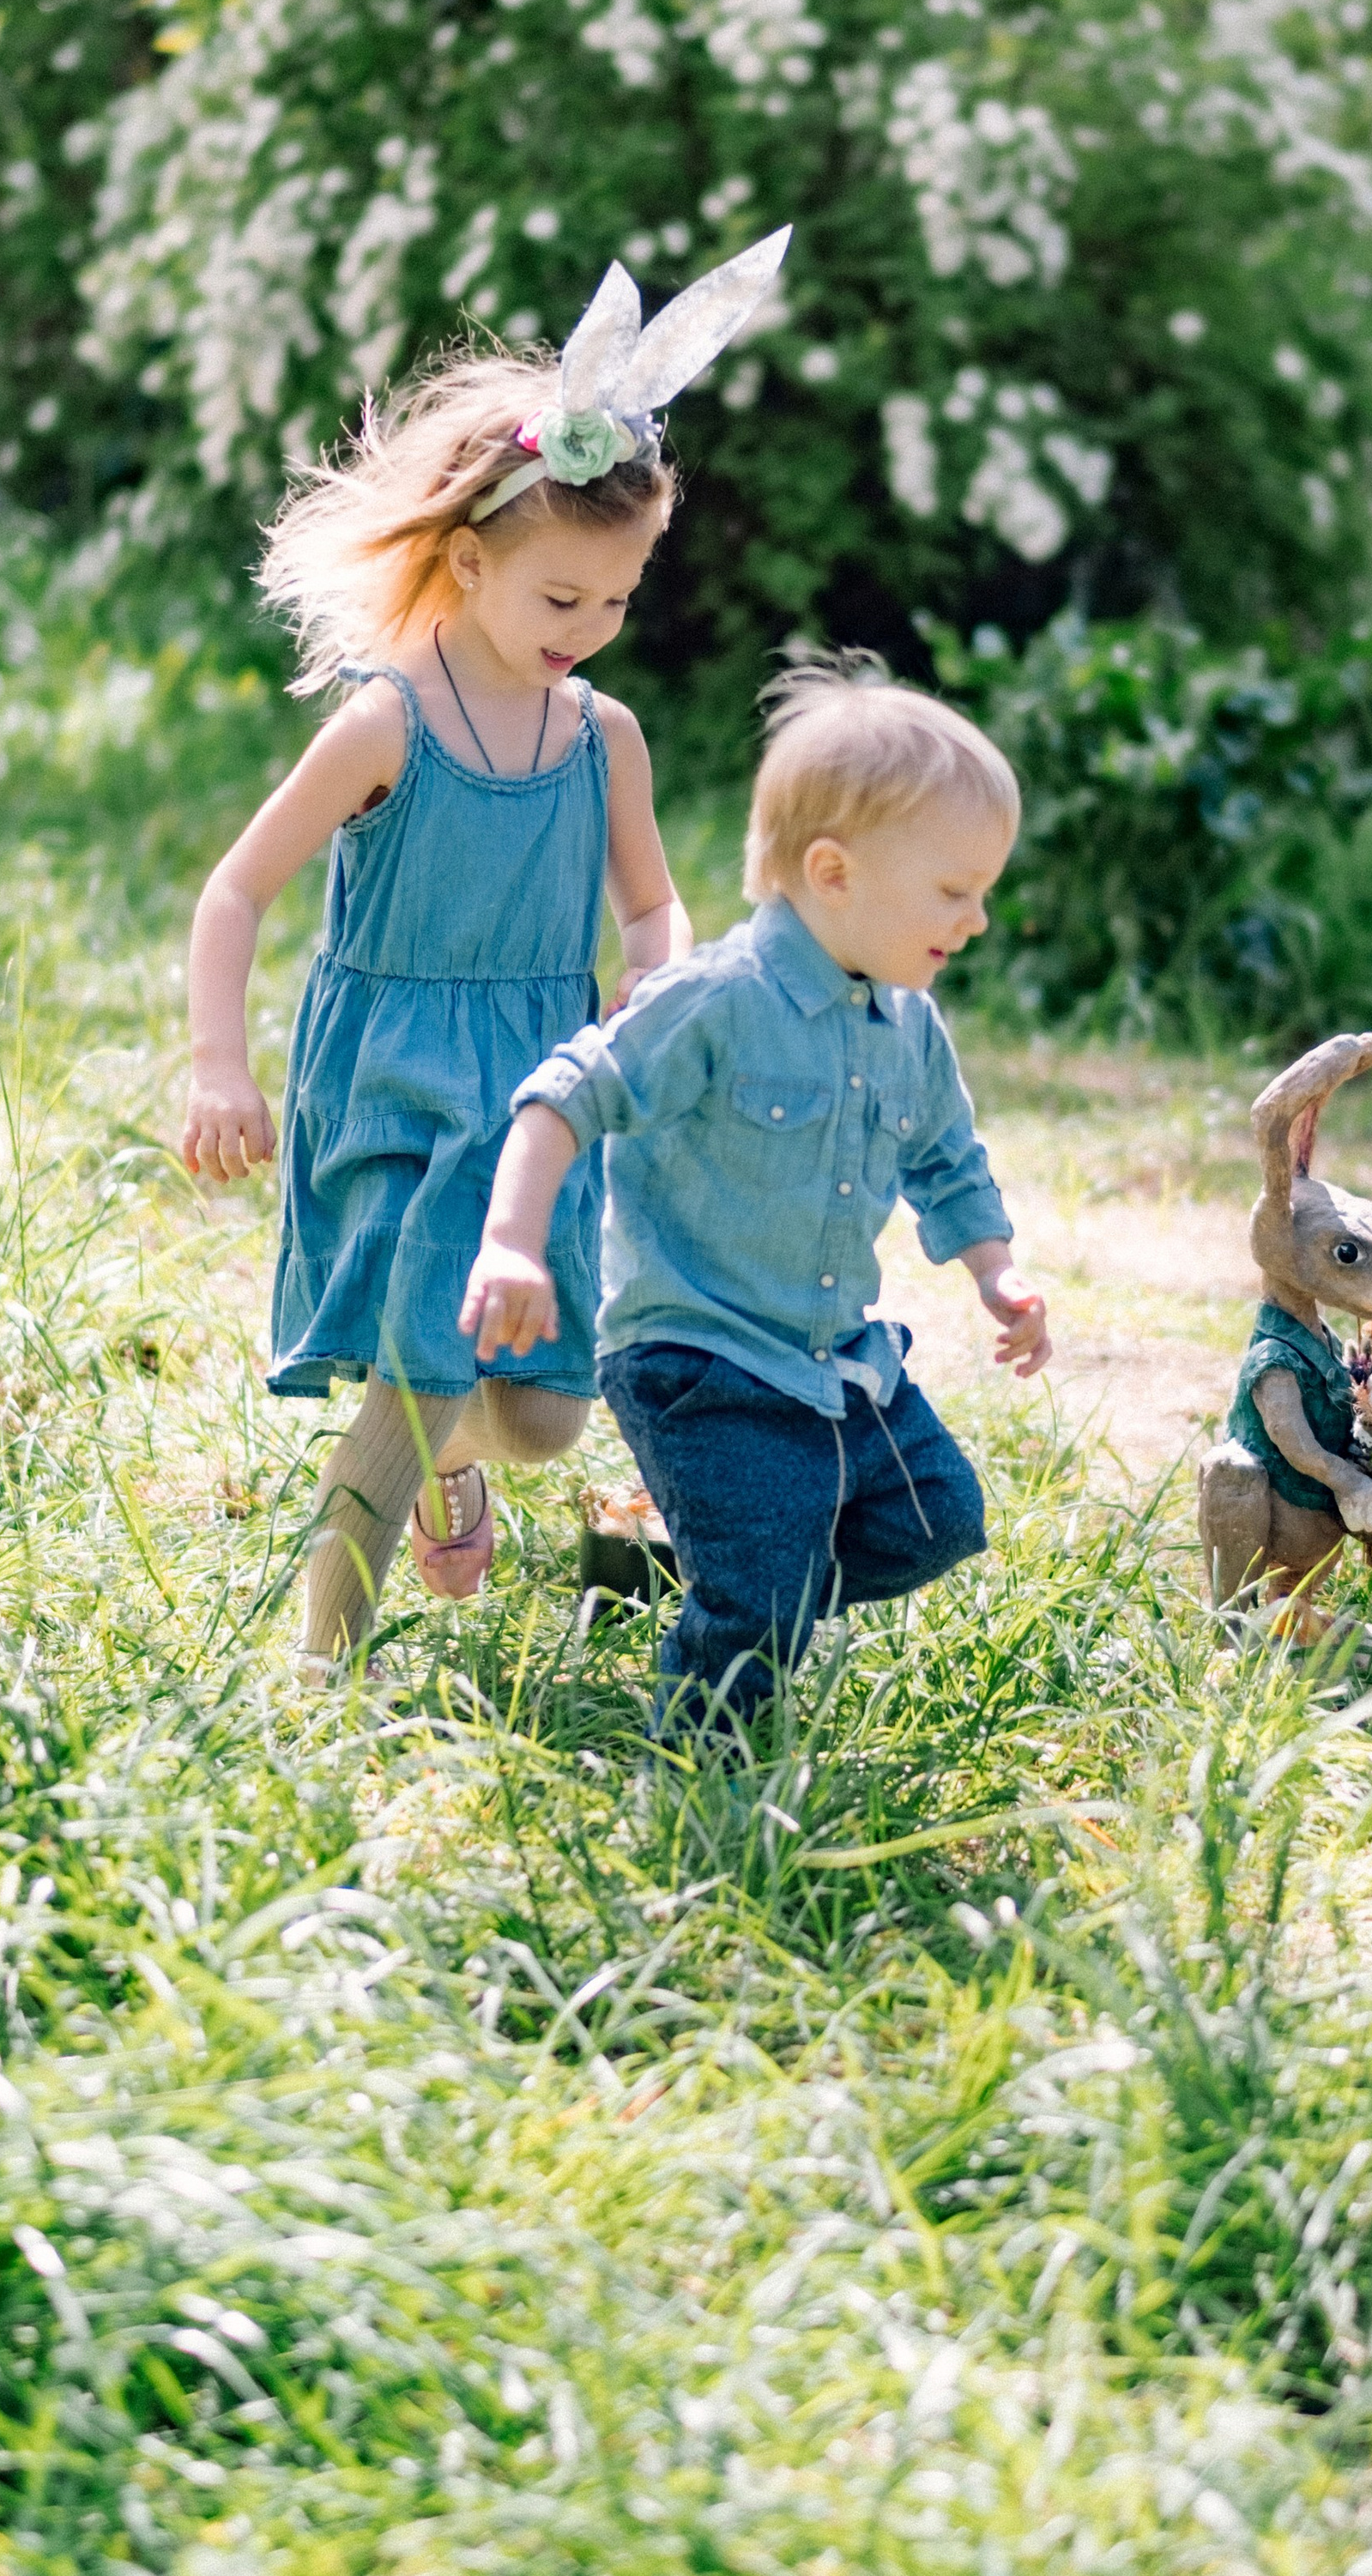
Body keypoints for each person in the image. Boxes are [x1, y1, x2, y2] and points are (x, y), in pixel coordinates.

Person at [181, 232, 789, 1665]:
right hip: (395, 1081)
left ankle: (455, 1457)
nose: (593, 628)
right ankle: (321, 1670)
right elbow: (235, 890)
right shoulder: (385, 723)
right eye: (562, 600)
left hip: (538, 1094)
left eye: (618, 600)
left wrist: (658, 973)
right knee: (414, 1371)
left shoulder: (603, 738)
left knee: (544, 1414)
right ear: (468, 559)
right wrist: (219, 1064)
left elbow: (652, 905)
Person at [461, 665, 1051, 1736]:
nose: (976, 921)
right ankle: (702, 1760)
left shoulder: (908, 1025)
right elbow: (564, 1098)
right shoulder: (715, 1001)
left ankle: (736, 1568)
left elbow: (947, 1156)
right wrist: (511, 1242)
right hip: (697, 1359)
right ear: (833, 872)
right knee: (761, 1594)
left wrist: (995, 1270)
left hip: (833, 1359)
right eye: (953, 891)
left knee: (939, 1520)